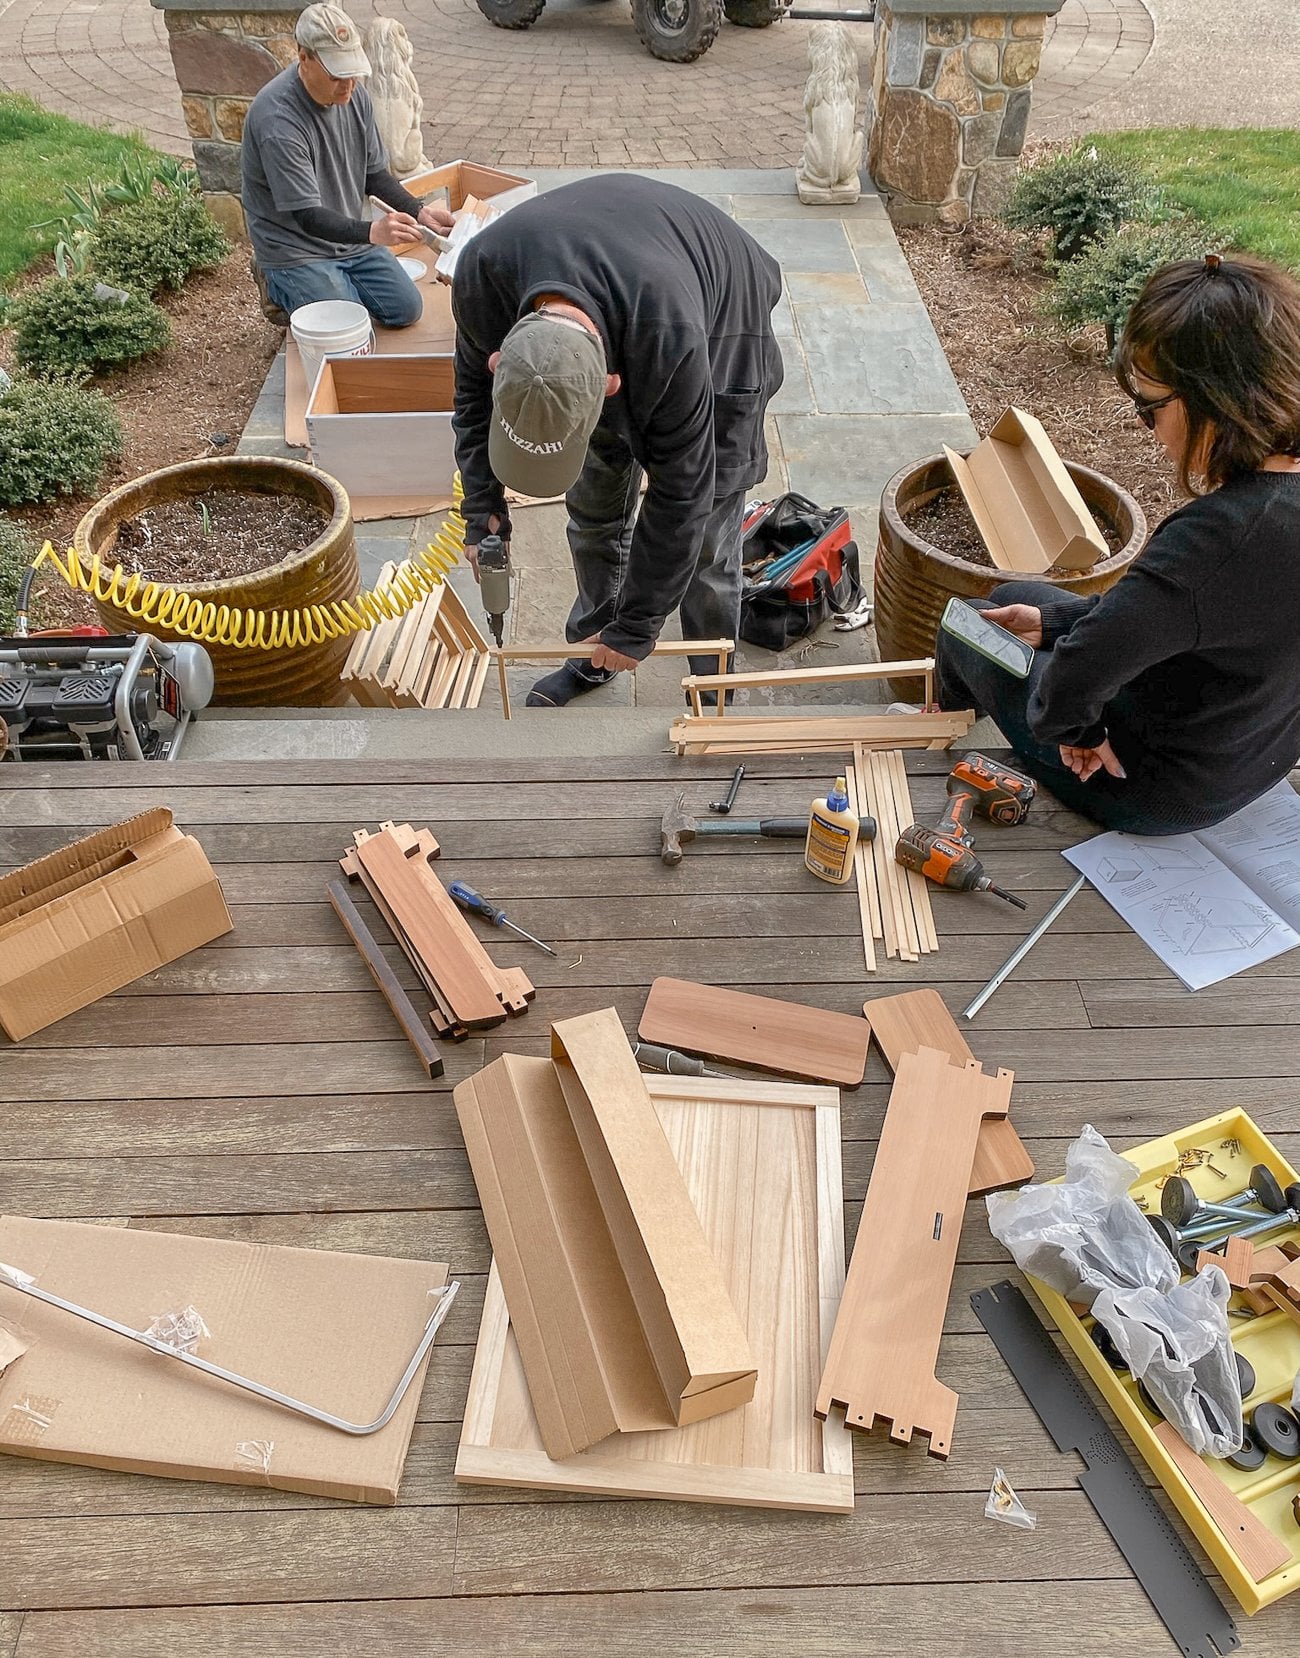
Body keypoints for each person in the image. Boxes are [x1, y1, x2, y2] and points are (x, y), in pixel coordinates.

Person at [934, 252, 1300, 835]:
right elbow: (1196, 611)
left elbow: (1074, 681)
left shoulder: (1223, 537)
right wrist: (1056, 624)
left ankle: (934, 736)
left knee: (967, 624)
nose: (1143, 424)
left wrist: (1077, 731)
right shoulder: (1268, 519)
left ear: (1216, 400)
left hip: (1151, 786)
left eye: (1150, 407)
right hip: (1249, 755)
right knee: (1018, 600)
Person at [450, 174, 785, 707]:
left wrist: (640, 622)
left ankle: (714, 687)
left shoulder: (671, 339)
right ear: (499, 359)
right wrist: (482, 506)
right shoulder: (481, 277)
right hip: (625, 287)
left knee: (706, 549)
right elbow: (470, 402)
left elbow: (682, 496)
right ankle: (593, 650)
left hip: (722, 317)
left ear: (608, 386)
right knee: (593, 514)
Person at [240, 3, 453, 330]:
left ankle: (329, 290)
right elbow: (307, 215)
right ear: (304, 59)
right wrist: (372, 232)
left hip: (349, 239)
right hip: (296, 248)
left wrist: (419, 211)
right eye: (338, 74)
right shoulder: (277, 121)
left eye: (353, 71)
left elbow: (374, 174)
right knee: (348, 326)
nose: (349, 85)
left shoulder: (355, 95)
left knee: (406, 310)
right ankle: (277, 282)